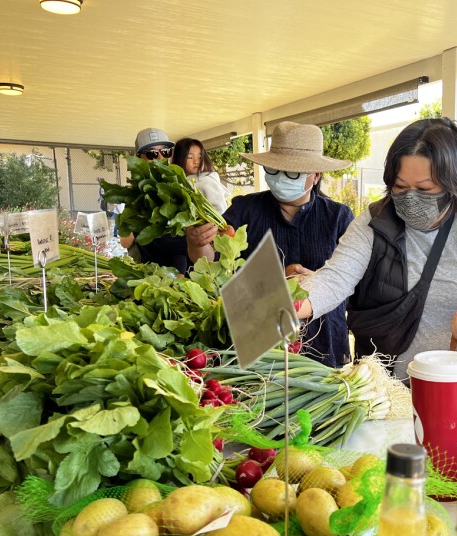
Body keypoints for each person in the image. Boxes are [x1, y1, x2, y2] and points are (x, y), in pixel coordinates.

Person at [295, 117, 457, 380]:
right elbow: (336, 278)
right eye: (400, 187)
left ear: (454, 182)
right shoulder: (374, 222)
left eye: (425, 189)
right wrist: (294, 302)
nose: (410, 198)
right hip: (385, 391)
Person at [195, 122, 355, 368]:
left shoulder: (338, 217)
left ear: (316, 176)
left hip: (324, 343)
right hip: (257, 342)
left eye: (292, 173)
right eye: (274, 170)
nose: (280, 179)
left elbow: (353, 283)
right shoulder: (244, 210)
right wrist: (198, 242)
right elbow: (209, 266)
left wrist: (320, 284)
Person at [124, 128, 217, 274]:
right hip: (159, 278)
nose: (159, 158)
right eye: (152, 154)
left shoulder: (180, 183)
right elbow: (154, 241)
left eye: (165, 152)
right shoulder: (137, 197)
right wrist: (198, 239)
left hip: (193, 275)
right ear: (139, 158)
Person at [171, 137, 230, 215]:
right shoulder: (176, 182)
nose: (196, 161)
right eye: (190, 157)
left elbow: (219, 208)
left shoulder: (206, 181)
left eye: (200, 157)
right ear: (179, 158)